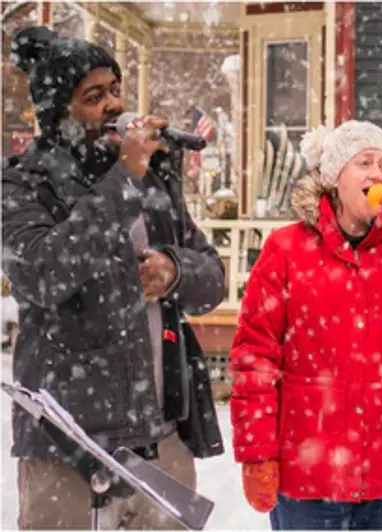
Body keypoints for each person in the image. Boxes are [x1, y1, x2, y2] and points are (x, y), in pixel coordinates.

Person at [2, 26, 226, 530]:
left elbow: (212, 277)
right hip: (68, 448)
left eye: (116, 90)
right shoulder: (21, 183)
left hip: (159, 436)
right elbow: (42, 274)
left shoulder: (153, 175)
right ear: (58, 113)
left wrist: (174, 270)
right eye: (93, 96)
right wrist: (124, 177)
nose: (113, 105)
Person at [229, 120, 382, 530]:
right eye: (364, 162)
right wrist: (257, 453)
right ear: (336, 177)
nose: (377, 173)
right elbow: (255, 355)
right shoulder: (286, 249)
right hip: (309, 476)